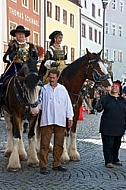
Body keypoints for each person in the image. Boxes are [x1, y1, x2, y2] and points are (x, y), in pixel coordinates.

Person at [38, 68, 74, 174]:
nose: (51, 79)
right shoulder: (44, 89)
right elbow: (39, 103)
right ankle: (43, 165)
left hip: (60, 120)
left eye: (54, 78)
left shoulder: (63, 89)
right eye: (50, 77)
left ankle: (57, 163)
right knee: (44, 144)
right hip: (46, 120)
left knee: (59, 144)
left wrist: (70, 117)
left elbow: (68, 104)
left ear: (57, 78)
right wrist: (35, 110)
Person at [0, 25, 38, 109]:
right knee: (2, 80)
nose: (21, 35)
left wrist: (35, 56)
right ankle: (2, 101)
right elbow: (5, 58)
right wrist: (10, 56)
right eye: (19, 34)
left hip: (27, 67)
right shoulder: (12, 45)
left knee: (37, 80)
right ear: (16, 35)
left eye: (22, 34)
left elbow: (36, 58)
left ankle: (38, 101)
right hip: (15, 67)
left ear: (25, 36)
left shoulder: (30, 46)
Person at [92, 80, 126, 168]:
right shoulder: (105, 98)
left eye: (116, 87)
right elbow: (98, 108)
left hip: (119, 126)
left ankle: (115, 158)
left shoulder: (123, 100)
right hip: (107, 126)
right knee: (108, 144)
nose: (114, 88)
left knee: (117, 144)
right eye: (113, 86)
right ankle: (108, 161)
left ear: (119, 89)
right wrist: (97, 99)